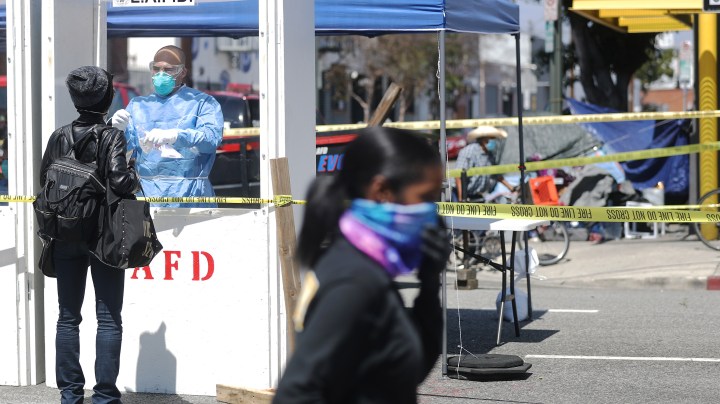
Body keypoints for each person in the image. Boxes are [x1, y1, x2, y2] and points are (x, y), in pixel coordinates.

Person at [273, 127, 449, 403]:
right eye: (426, 197)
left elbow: (406, 370)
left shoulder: (364, 264)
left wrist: (429, 284)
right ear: (382, 191)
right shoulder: (355, 280)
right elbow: (294, 393)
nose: (432, 212)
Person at [40, 66, 140, 403]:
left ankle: (70, 395)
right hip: (103, 237)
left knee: (68, 317)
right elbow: (121, 184)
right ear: (106, 98)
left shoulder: (59, 135)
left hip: (65, 234)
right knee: (108, 318)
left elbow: (44, 182)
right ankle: (105, 397)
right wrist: (134, 166)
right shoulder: (111, 136)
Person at [110, 45, 223, 208]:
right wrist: (117, 131)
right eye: (156, 69)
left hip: (191, 198)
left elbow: (211, 140)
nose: (160, 74)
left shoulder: (203, 103)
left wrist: (177, 136)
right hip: (148, 198)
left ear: (182, 72)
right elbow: (124, 149)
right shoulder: (138, 106)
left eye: (168, 70)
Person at [454, 126, 515, 202]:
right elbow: (458, 175)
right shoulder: (470, 151)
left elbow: (496, 175)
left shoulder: (490, 155)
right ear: (483, 139)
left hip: (477, 196)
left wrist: (511, 188)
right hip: (462, 196)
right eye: (491, 138)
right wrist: (461, 199)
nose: (494, 141)